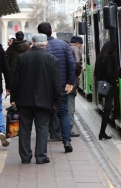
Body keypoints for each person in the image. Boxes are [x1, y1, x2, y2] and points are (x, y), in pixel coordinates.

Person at [10, 34, 62, 164]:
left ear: (32, 43)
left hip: (24, 100)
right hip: (44, 101)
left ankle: (25, 157)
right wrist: (56, 101)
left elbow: (16, 80)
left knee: (25, 129)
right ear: (46, 44)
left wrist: (13, 97)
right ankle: (41, 156)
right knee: (42, 128)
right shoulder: (53, 60)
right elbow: (56, 83)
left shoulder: (22, 58)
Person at [38, 22, 76, 153]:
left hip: (44, 87)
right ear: (51, 31)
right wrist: (70, 82)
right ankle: (66, 141)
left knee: (44, 115)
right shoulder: (63, 45)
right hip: (61, 85)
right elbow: (71, 64)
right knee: (63, 113)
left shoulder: (39, 48)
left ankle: (43, 147)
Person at [94, 41, 118, 140]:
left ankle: (102, 132)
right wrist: (114, 83)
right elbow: (110, 73)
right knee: (107, 109)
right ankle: (102, 132)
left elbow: (96, 72)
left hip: (101, 84)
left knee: (106, 108)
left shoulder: (100, 57)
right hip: (108, 84)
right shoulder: (109, 57)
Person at [68, 35, 83, 137]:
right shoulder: (75, 50)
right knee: (70, 107)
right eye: (81, 44)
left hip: (64, 82)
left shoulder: (66, 48)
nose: (81, 46)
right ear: (77, 43)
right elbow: (77, 63)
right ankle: (69, 129)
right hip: (71, 82)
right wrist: (78, 73)